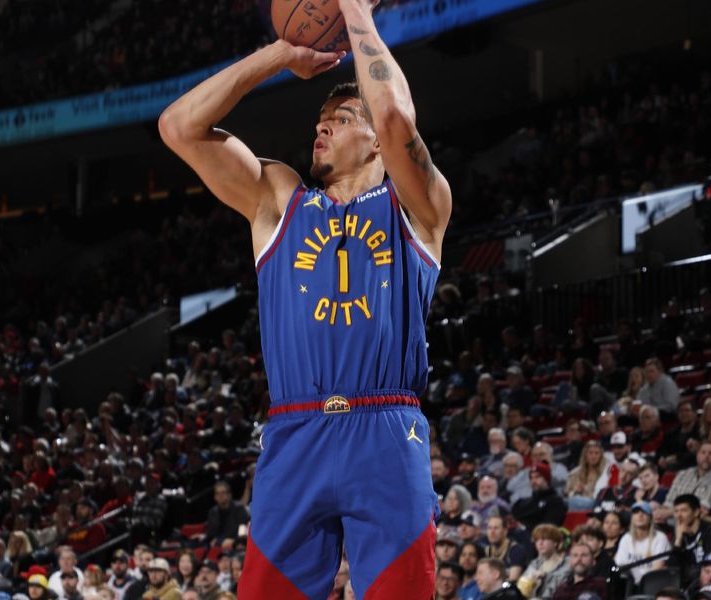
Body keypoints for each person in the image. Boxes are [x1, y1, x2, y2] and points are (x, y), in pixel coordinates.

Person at [161, 1, 452, 594]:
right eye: (320, 119)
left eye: (342, 118)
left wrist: (352, 8)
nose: (321, 126)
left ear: (373, 141)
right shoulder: (278, 200)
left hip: (387, 430)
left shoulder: (419, 205)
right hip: (295, 435)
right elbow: (179, 127)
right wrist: (279, 56)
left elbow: (396, 117)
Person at [669, 494, 711, 584]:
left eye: (683, 510)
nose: (679, 516)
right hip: (686, 584)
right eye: (676, 511)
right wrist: (678, 541)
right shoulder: (679, 534)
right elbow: (671, 568)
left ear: (696, 512)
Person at [663, 441, 711, 517]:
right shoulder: (683, 474)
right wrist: (664, 512)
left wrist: (668, 513)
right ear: (697, 455)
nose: (706, 456)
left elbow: (703, 507)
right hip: (671, 516)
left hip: (696, 520)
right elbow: (669, 501)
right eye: (703, 452)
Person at [614, 501, 671, 585]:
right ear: (632, 518)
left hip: (651, 584)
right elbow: (621, 565)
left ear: (650, 518)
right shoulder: (626, 538)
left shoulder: (660, 538)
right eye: (636, 513)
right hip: (629, 584)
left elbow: (657, 568)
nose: (640, 516)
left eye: (644, 512)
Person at [518, 524, 570, 600]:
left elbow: (561, 592)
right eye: (537, 540)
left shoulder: (567, 564)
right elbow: (521, 591)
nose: (540, 543)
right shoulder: (534, 564)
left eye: (544, 539)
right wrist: (531, 581)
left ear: (555, 542)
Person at [511, 463, 567, 530]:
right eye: (531, 478)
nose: (533, 481)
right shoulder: (521, 502)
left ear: (546, 479)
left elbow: (549, 527)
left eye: (537, 477)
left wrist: (524, 527)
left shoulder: (555, 502)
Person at [204, 482, 249, 550]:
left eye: (223, 493)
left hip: (236, 542)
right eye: (217, 493)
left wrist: (233, 541)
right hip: (217, 543)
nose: (220, 496)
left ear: (229, 495)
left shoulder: (239, 509)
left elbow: (243, 532)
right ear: (215, 497)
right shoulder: (213, 512)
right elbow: (211, 534)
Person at [484, 516, 528, 582]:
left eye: (496, 528)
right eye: (489, 528)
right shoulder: (486, 551)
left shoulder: (516, 550)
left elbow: (512, 581)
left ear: (505, 531)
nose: (492, 532)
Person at [566, 441, 607, 510]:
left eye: (597, 453)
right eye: (590, 453)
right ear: (585, 455)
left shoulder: (604, 473)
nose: (593, 456)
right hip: (575, 502)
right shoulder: (574, 473)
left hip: (595, 503)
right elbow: (567, 493)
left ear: (601, 456)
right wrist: (576, 491)